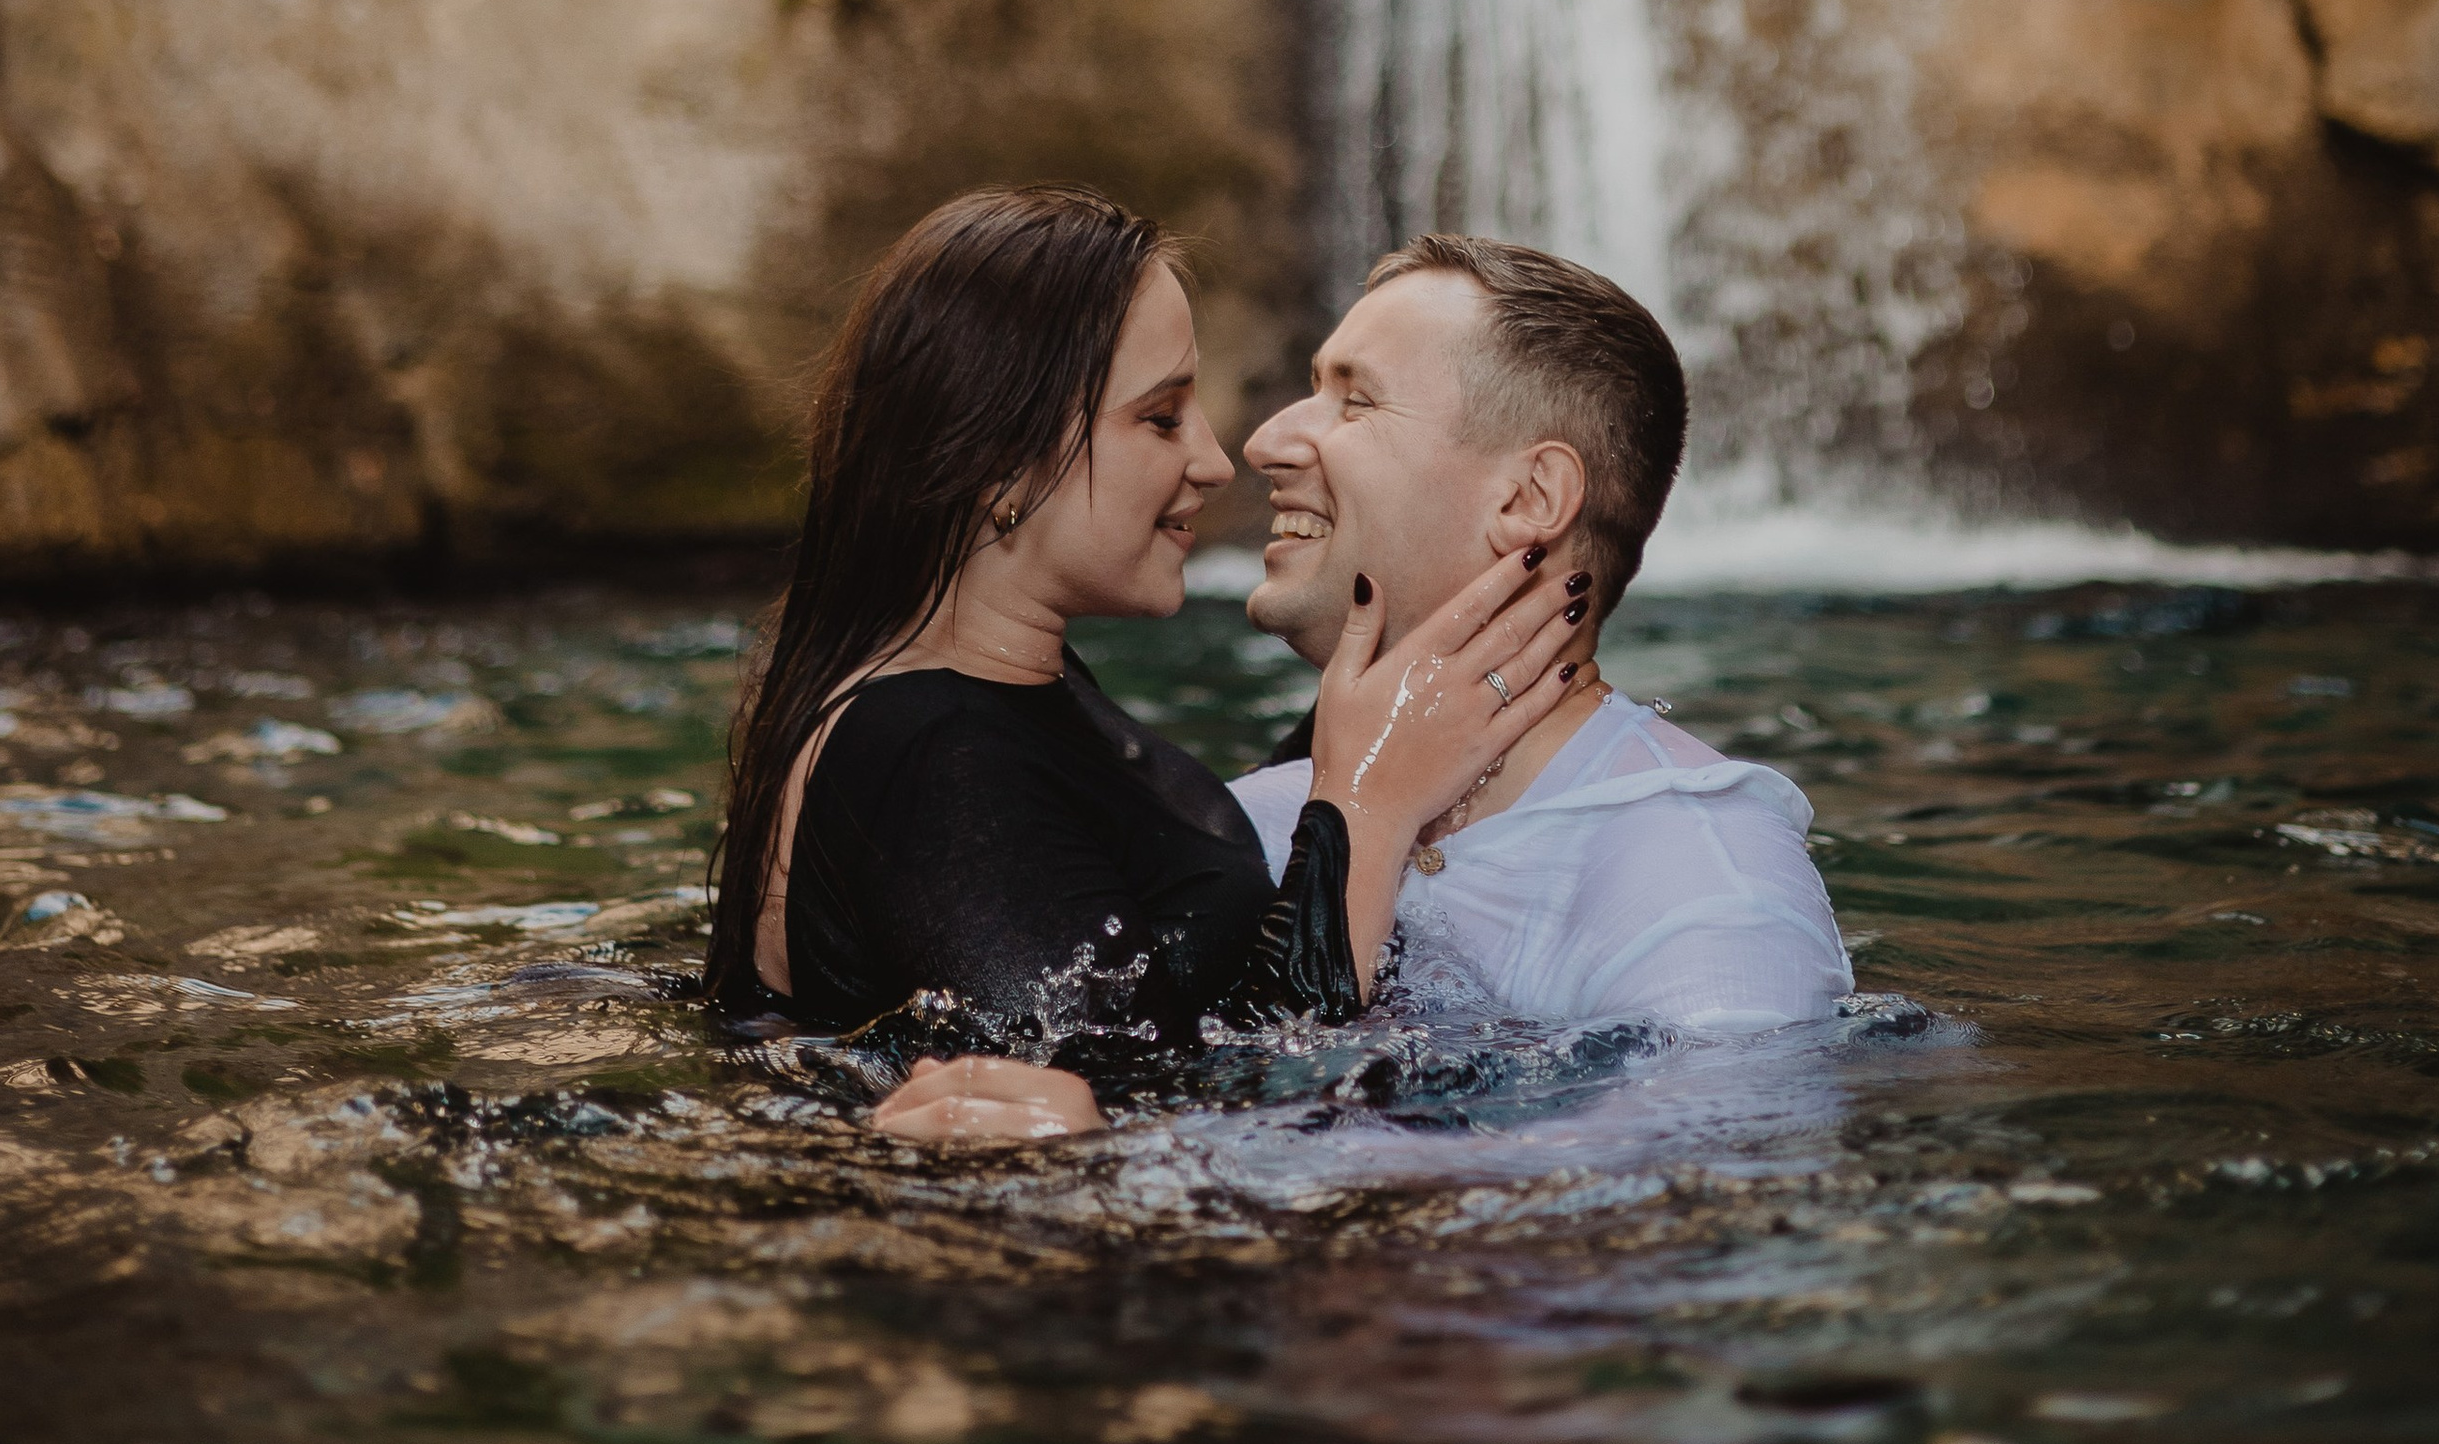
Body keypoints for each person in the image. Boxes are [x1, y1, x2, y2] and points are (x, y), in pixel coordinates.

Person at [702, 185, 1589, 1143]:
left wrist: (1431, 623)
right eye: (1161, 418)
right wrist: (1366, 812)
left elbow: (1140, 897)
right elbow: (1211, 1128)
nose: (1215, 460)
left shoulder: (1002, 698)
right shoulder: (934, 757)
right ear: (1003, 459)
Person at [1234, 232, 1852, 1031]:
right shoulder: (1246, 822)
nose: (1265, 443)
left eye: (1356, 401)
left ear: (1531, 497)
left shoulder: (1704, 891)